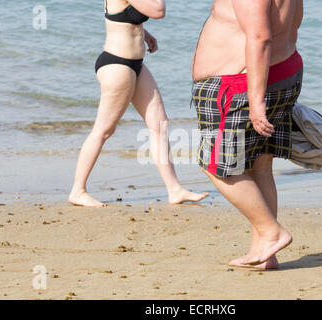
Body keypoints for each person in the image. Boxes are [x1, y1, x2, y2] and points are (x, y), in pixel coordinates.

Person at [192, 0, 304, 269]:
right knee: (260, 165)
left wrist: (256, 102)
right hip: (281, 70)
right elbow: (292, 26)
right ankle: (265, 253)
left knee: (217, 165)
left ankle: (271, 232)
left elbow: (260, 36)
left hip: (239, 84)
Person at [69, 0, 208, 207]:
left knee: (159, 124)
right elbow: (159, 10)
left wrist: (145, 34)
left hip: (135, 64)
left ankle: (175, 190)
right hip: (117, 65)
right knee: (104, 130)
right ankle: (77, 191)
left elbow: (124, 19)